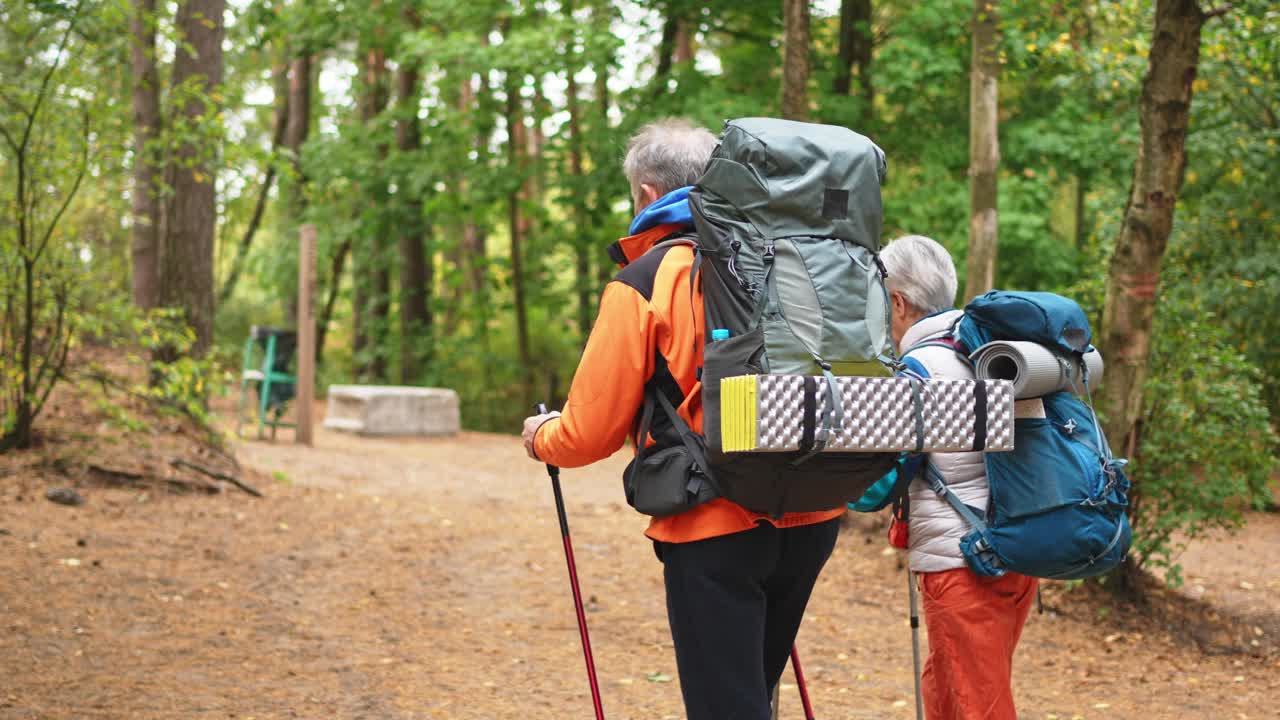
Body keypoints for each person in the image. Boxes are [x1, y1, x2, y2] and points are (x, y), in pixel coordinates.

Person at [520, 118, 845, 720]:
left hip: (714, 519)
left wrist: (543, 437)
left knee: (727, 705)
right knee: (751, 692)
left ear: (646, 192)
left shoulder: (646, 279)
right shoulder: (796, 259)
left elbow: (590, 431)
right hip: (814, 507)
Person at [880, 234, 1038, 720]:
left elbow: (880, 482)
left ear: (898, 302)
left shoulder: (920, 368)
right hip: (1014, 546)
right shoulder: (995, 351)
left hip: (961, 562)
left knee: (976, 702)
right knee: (949, 687)